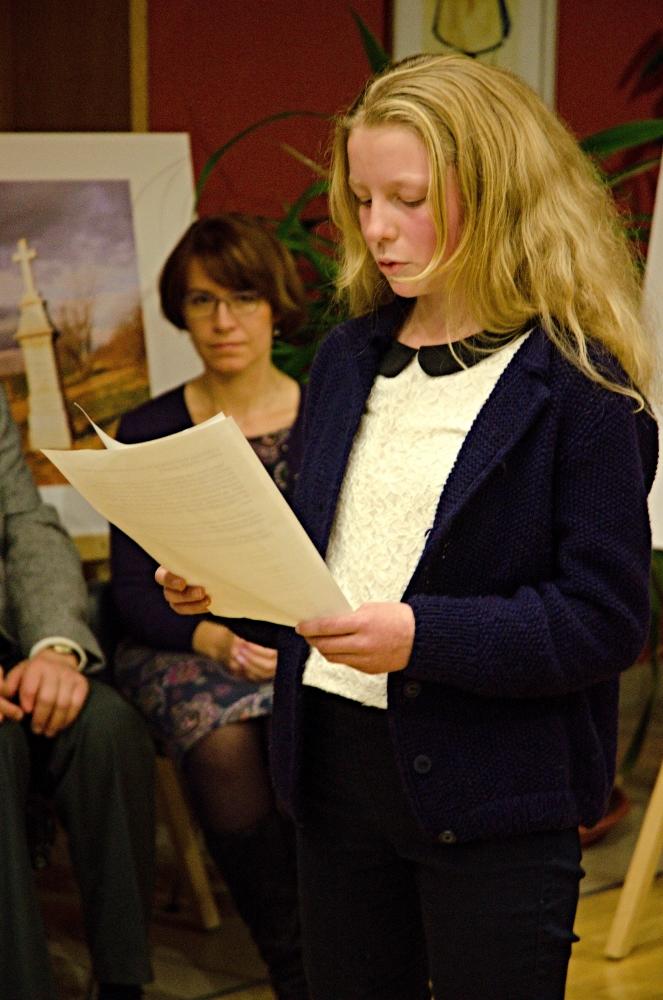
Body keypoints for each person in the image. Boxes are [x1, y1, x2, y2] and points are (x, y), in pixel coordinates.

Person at [154, 55, 659, 1000]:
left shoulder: (582, 389)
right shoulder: (348, 355)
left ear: (497, 195)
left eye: (409, 199)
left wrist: (422, 636)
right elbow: (328, 570)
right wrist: (225, 586)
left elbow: (603, 622)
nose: (376, 228)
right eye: (360, 199)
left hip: (497, 795)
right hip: (331, 776)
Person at [110, 213, 310, 1000]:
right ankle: (292, 963)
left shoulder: (327, 416)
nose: (224, 321)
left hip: (309, 638)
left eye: (243, 297)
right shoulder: (150, 429)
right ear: (181, 312)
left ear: (275, 305)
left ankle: (356, 947)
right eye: (202, 301)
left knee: (321, 724)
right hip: (184, 643)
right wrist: (215, 640)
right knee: (227, 741)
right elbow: (131, 593)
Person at [0, 387, 154, 1000]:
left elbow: (25, 523)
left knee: (106, 726)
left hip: (12, 652)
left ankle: (123, 983)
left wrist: (56, 647)